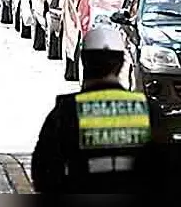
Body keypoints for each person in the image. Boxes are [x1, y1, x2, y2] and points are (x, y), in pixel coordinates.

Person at [31, 27, 166, 193]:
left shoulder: (66, 111)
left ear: (83, 61)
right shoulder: (148, 109)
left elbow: (44, 173)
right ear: (121, 63)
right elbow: (168, 171)